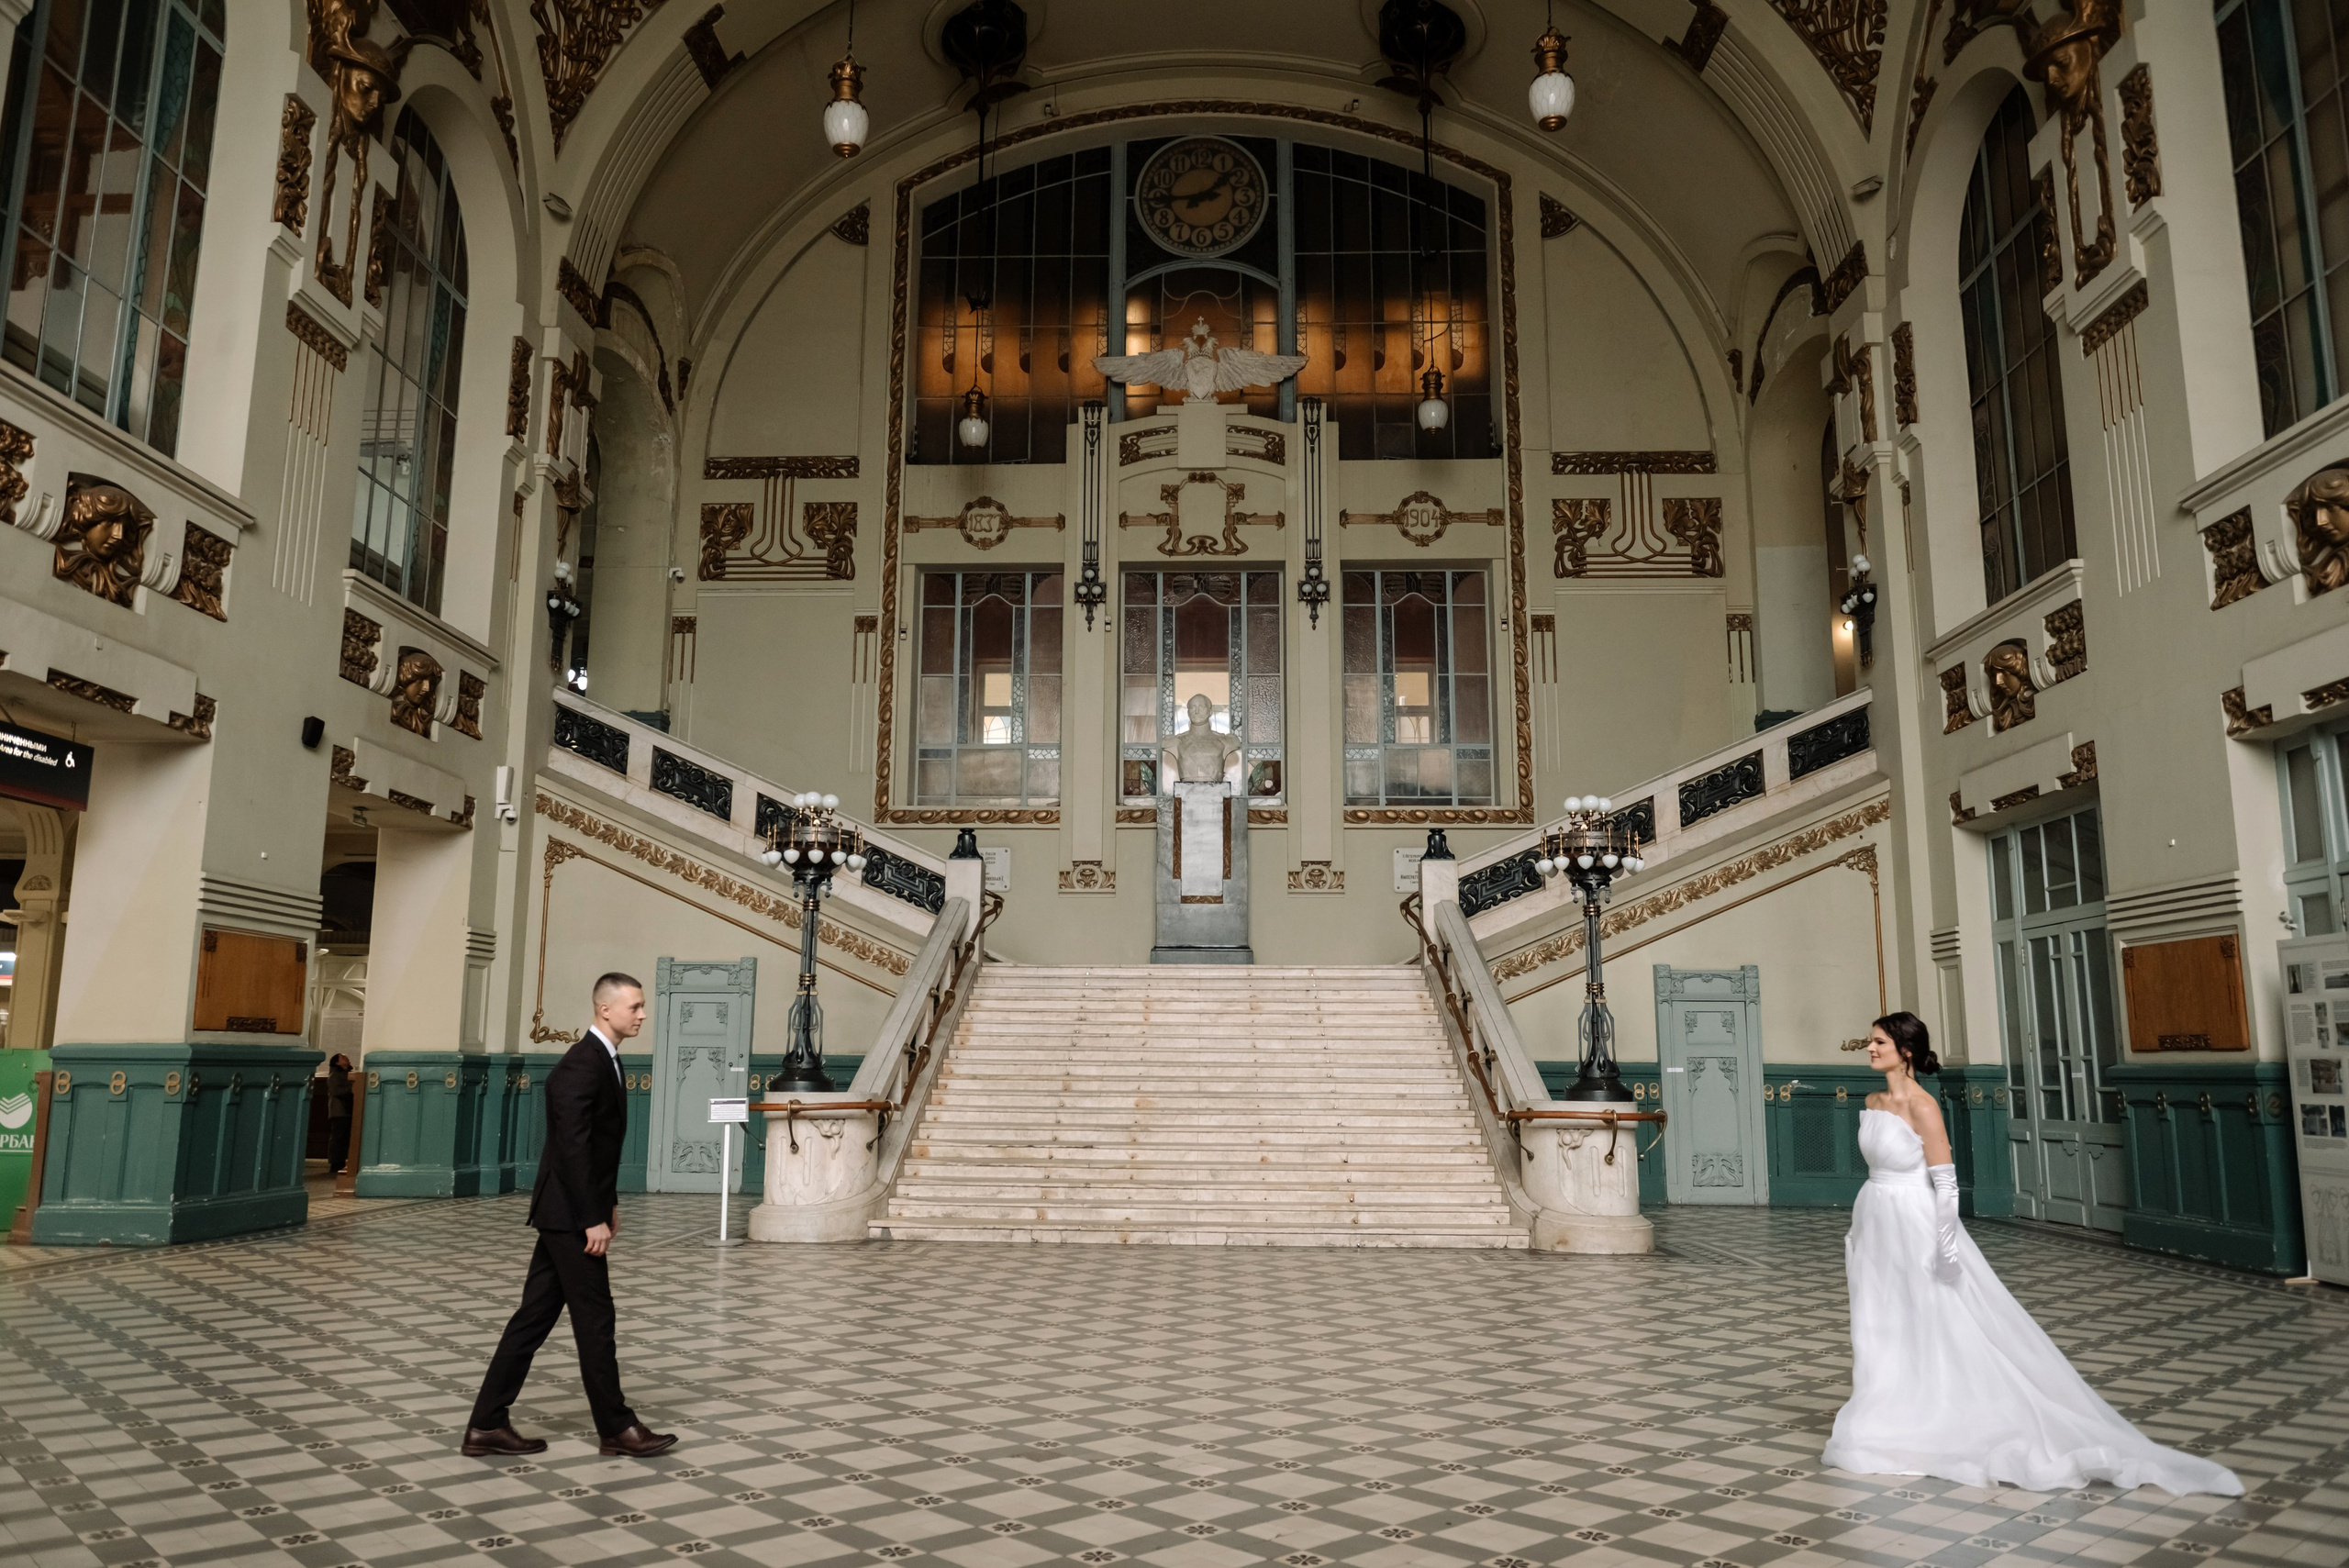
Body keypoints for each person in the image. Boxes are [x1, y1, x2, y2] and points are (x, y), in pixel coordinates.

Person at [1821, 1012, 2241, 1496]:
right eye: (1870, 1042)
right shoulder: (1873, 1101)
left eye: (1877, 1042)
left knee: (1934, 1318)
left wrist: (1946, 1244)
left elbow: (1946, 1183)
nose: (1869, 1049)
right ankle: (1883, 1410)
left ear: (1906, 1050)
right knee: (1880, 1321)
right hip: (1876, 1219)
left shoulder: (1924, 1107)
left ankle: (1938, 1412)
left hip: (1916, 1222)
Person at [462, 973, 676, 1458]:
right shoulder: (582, 1065)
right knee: (595, 1318)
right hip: (567, 1215)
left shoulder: (603, 1059)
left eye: (643, 1007)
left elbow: (595, 1149)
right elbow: (572, 1151)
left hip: (570, 1210)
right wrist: (590, 1218)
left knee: (533, 1318)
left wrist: (609, 1204)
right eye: (635, 1007)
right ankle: (617, 1428)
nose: (643, 1015)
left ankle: (486, 1425)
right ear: (605, 1010)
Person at [324, 1054, 354, 1176]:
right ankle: (336, 1163)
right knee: (338, 1138)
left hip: (347, 1110)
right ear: (337, 1063)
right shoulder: (335, 1075)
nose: (347, 1058)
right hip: (339, 1111)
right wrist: (352, 1088)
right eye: (343, 1058)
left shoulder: (347, 1074)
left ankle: (343, 1161)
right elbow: (336, 1091)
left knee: (345, 1138)